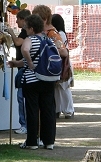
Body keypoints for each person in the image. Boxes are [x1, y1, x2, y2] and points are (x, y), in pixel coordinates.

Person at [8, 14, 57, 150]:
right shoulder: (48, 40)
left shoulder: (30, 39)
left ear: (31, 28)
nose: (25, 30)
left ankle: (32, 141)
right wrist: (19, 63)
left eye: (26, 28)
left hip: (32, 80)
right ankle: (48, 141)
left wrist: (29, 63)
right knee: (48, 110)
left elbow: (25, 50)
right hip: (48, 79)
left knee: (32, 110)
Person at [7, 9, 31, 134]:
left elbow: (18, 42)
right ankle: (25, 124)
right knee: (21, 97)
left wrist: (11, 32)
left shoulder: (24, 33)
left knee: (21, 97)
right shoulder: (24, 32)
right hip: (22, 67)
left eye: (18, 19)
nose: (16, 21)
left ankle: (24, 124)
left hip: (23, 68)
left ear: (23, 20)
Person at [51, 13, 75, 118]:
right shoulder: (60, 33)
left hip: (62, 63)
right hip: (60, 62)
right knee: (58, 87)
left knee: (64, 87)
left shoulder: (60, 34)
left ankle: (69, 110)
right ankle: (59, 109)